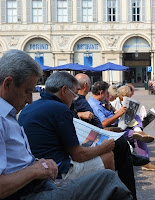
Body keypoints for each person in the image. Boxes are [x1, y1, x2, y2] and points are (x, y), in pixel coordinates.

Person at [0, 49, 133, 200]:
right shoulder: (56, 109)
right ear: (8, 84)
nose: (29, 100)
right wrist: (35, 170)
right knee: (108, 178)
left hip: (42, 178)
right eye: (27, 91)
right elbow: (78, 154)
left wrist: (38, 163)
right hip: (32, 190)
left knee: (108, 175)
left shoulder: (15, 113)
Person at [19, 72, 116, 181]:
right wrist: (103, 147)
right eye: (74, 95)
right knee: (108, 156)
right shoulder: (60, 109)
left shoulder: (30, 107)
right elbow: (79, 156)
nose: (74, 99)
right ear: (64, 90)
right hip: (57, 171)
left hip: (36, 166)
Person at [73, 73, 147, 199]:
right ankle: (130, 193)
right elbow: (97, 122)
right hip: (92, 135)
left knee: (123, 142)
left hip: (95, 132)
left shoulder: (81, 101)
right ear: (86, 85)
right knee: (122, 144)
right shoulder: (81, 101)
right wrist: (80, 114)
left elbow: (72, 114)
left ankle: (130, 160)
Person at [89, 81, 155, 172]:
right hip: (111, 131)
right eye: (107, 93)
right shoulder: (96, 105)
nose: (108, 95)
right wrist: (119, 114)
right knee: (137, 136)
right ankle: (144, 161)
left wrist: (112, 109)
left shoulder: (99, 103)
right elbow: (103, 123)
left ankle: (142, 156)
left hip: (116, 127)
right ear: (101, 93)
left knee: (137, 121)